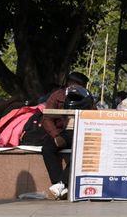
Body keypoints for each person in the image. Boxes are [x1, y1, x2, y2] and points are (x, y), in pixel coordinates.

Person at [40, 71, 90, 200]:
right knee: (47, 147)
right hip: (62, 131)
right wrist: (56, 136)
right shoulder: (57, 96)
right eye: (80, 85)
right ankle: (58, 183)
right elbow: (46, 118)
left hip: (80, 132)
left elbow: (93, 115)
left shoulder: (87, 96)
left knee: (83, 150)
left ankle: (62, 184)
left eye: (84, 86)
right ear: (70, 84)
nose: (82, 88)